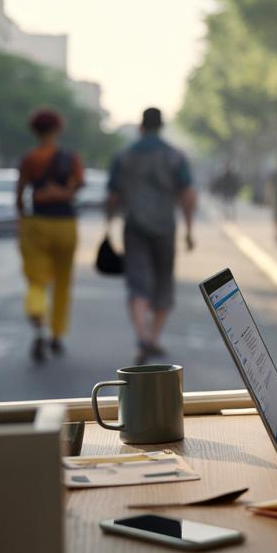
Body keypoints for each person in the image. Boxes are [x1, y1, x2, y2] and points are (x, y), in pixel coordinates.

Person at [106, 107, 197, 365]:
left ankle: (142, 336)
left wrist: (109, 222)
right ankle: (154, 337)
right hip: (165, 229)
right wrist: (189, 230)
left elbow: (112, 197)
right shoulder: (175, 156)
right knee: (163, 284)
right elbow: (188, 195)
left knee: (137, 285)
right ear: (162, 126)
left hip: (134, 227)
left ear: (140, 126)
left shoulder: (124, 157)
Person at [15, 108, 84, 362]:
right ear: (57, 129)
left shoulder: (29, 158)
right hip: (66, 224)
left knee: (36, 280)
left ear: (35, 130)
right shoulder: (71, 158)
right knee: (63, 282)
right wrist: (61, 192)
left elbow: (20, 194)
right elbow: (76, 188)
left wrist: (23, 221)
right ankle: (57, 334)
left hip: (38, 224)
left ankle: (37, 321)